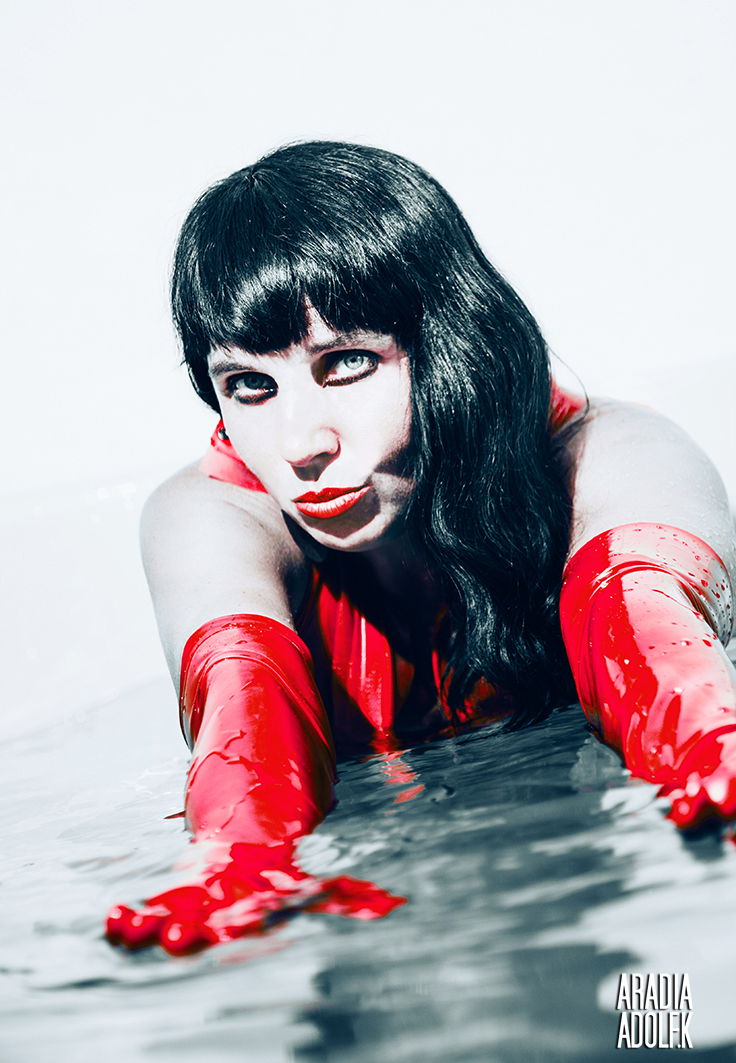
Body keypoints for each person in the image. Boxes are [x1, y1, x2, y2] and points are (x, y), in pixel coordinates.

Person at [106, 141, 736, 955]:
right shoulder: (215, 512)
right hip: (383, 911)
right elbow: (242, 697)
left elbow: (643, 624)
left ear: (454, 344)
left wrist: (710, 744)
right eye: (250, 386)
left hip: (604, 885)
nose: (299, 443)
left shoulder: (605, 452)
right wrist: (238, 856)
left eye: (348, 362)